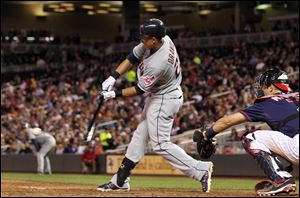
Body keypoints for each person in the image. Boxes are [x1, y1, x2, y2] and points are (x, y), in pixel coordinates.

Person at [97, 18, 213, 192]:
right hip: (160, 95)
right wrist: (113, 76)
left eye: (145, 37)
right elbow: (132, 57)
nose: (141, 40)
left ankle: (200, 169)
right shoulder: (160, 39)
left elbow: (139, 89)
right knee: (140, 137)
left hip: (165, 98)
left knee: (160, 143)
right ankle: (120, 180)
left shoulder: (160, 62)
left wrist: (114, 94)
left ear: (154, 40)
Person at [194, 68, 298, 196]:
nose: (261, 89)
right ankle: (281, 170)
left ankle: (282, 179)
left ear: (271, 87)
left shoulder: (268, 102)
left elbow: (228, 121)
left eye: (264, 86)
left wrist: (207, 134)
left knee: (250, 137)